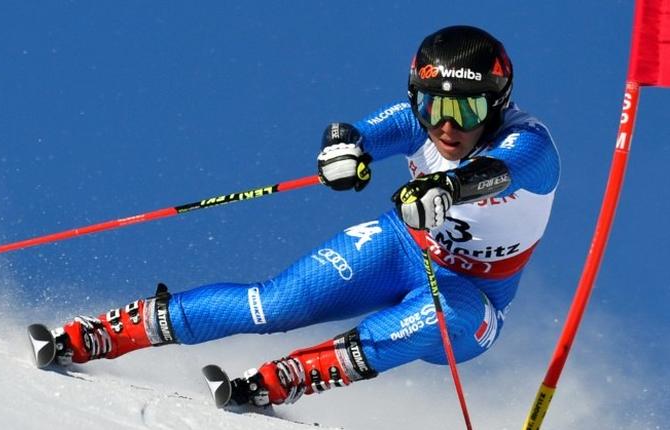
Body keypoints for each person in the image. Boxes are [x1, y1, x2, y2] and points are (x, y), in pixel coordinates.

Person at [47, 25, 560, 407]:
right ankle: (111, 332)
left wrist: (446, 186)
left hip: (475, 294)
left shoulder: (531, 146)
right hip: (403, 245)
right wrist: (339, 153)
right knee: (275, 304)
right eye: (433, 108)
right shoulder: (416, 121)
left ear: (496, 107)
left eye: (467, 112)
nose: (447, 126)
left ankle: (295, 375)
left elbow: (497, 172)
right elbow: (348, 132)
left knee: (448, 318)